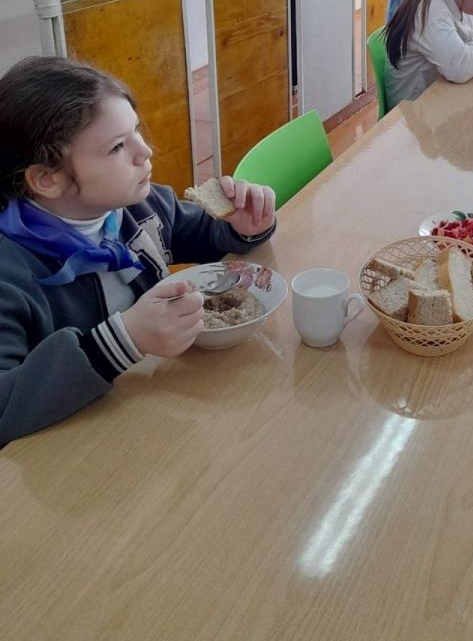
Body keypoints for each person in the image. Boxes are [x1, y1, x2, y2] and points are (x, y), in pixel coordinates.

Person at [0, 57, 277, 447]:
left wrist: (240, 228)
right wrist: (123, 340)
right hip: (80, 453)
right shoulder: (10, 274)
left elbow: (202, 234)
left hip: (158, 416)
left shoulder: (138, 207)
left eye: (135, 131)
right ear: (47, 179)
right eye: (117, 146)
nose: (144, 151)